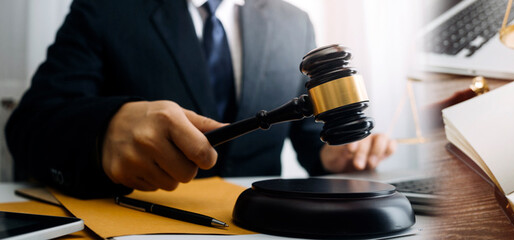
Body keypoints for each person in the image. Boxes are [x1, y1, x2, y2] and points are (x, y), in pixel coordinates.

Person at [4, 0, 396, 199]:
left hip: (266, 224)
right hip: (146, 221)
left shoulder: (294, 21)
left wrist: (335, 156)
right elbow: (28, 126)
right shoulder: (107, 8)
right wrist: (104, 128)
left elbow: (312, 141)